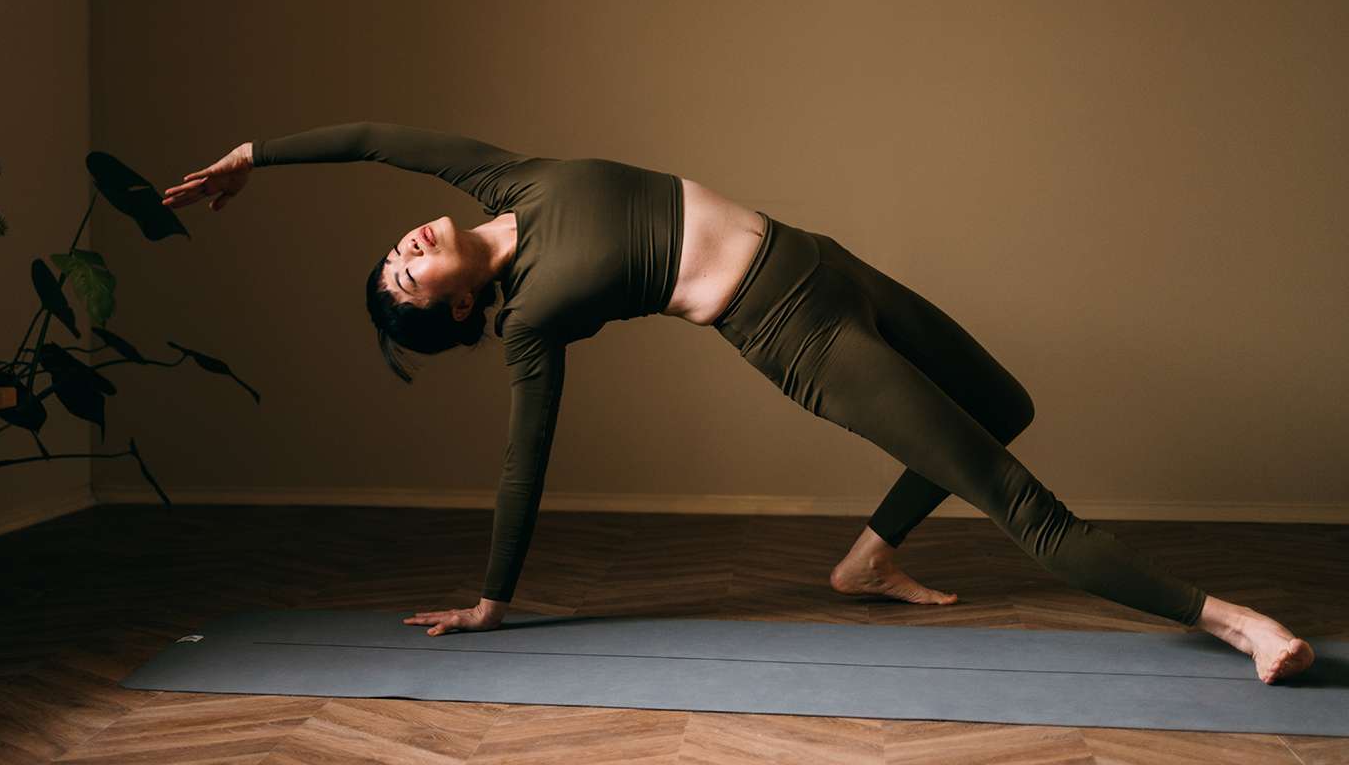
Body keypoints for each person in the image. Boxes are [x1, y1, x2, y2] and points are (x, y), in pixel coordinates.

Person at [162, 121, 1315, 684]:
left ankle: (865, 561)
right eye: (409, 279)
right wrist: (491, 599)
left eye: (397, 253)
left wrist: (259, 155)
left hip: (826, 262)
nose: (408, 249)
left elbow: (374, 139)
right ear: (459, 316)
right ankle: (1236, 625)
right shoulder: (528, 322)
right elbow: (529, 454)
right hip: (798, 333)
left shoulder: (498, 183)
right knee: (1020, 500)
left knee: (1005, 402)